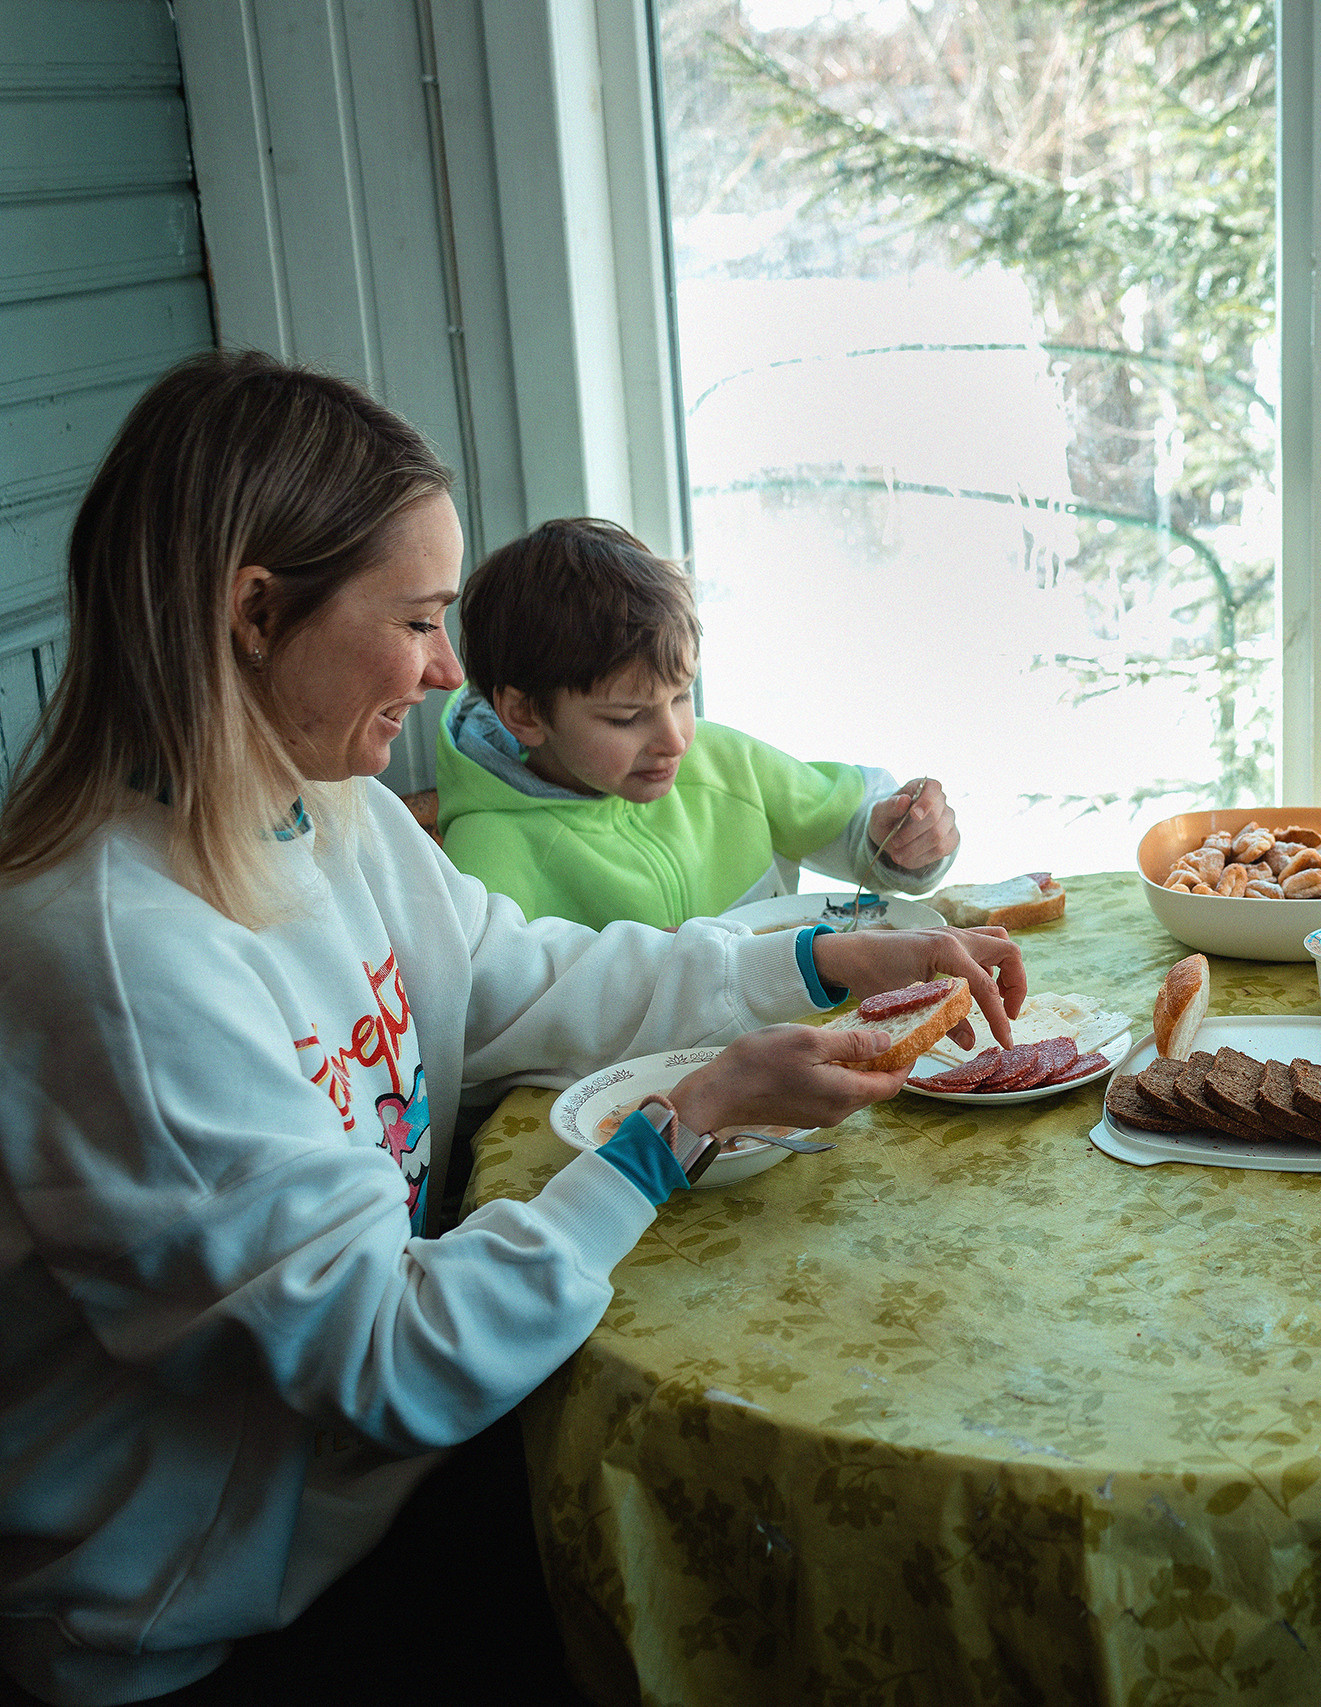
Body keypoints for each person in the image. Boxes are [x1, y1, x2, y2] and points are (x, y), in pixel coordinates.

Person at [0, 351, 1024, 1706]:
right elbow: (386, 1353)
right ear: (255, 612)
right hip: (204, 1613)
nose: (448, 671)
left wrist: (829, 953)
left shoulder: (327, 805)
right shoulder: (117, 955)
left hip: (354, 1500)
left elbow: (525, 979)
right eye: (421, 618)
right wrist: (681, 1128)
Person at [434, 516, 960, 930]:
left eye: (682, 695)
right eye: (627, 717)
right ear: (525, 715)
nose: (674, 739)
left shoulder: (721, 760)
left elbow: (849, 828)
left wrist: (896, 840)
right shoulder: (486, 853)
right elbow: (495, 1019)